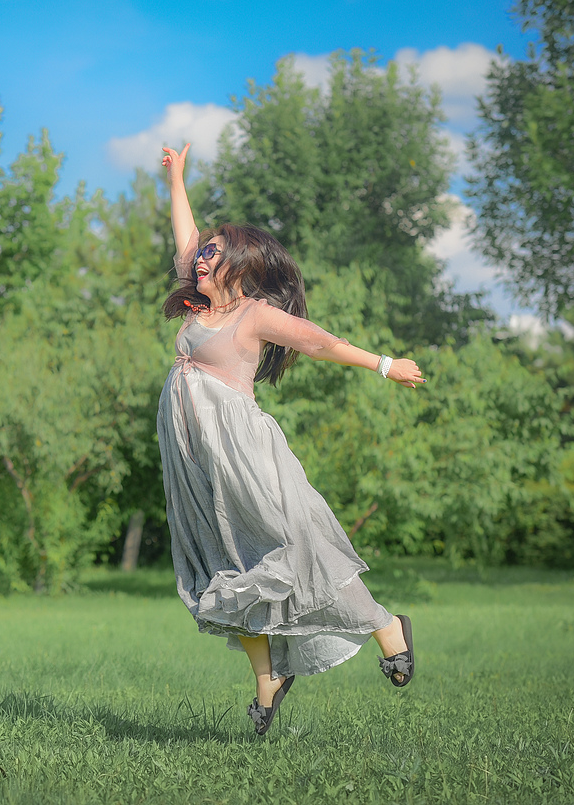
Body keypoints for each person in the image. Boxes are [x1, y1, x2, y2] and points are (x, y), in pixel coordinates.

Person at [158, 143, 424, 736]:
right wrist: (177, 179)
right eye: (202, 253)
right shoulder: (200, 306)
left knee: (291, 547)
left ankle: (387, 628)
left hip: (243, 452)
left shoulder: (252, 314)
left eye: (214, 253)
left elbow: (318, 342)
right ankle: (268, 679)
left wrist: (384, 365)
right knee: (225, 563)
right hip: (194, 457)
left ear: (240, 266)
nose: (201, 258)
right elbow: (186, 235)